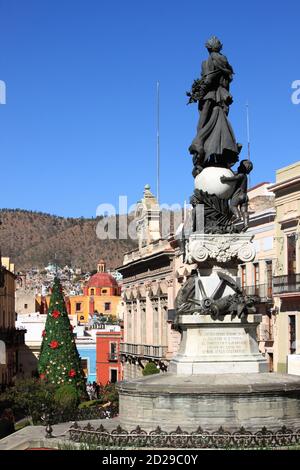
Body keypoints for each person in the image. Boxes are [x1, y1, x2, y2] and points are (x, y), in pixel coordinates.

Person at [220, 159, 253, 229]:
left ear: (242, 168)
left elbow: (234, 178)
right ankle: (246, 224)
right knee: (244, 211)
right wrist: (229, 169)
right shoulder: (244, 176)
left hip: (238, 195)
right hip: (245, 196)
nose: (238, 167)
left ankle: (237, 217)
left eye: (240, 166)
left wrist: (225, 179)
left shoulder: (241, 175)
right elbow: (234, 174)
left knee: (232, 206)